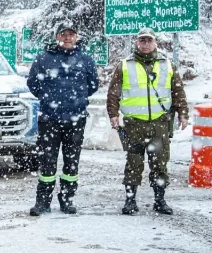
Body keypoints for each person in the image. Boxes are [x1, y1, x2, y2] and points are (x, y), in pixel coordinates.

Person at [106, 27, 189, 215]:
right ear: (137, 42)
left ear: (155, 43)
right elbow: (113, 93)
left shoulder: (167, 65)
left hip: (159, 123)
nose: (145, 44)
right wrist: (113, 114)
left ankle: (160, 200)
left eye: (149, 40)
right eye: (142, 41)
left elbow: (178, 92)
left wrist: (183, 113)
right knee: (133, 163)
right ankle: (130, 201)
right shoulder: (125, 65)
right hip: (133, 124)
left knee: (160, 164)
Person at [26, 23, 99, 216]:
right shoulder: (44, 58)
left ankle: (67, 199)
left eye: (71, 34)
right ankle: (43, 201)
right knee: (47, 161)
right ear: (57, 37)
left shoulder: (85, 59)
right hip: (49, 118)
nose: (67, 38)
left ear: (76, 37)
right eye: (63, 34)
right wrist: (49, 98)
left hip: (76, 119)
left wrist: (76, 99)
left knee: (71, 162)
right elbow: (33, 83)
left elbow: (93, 85)